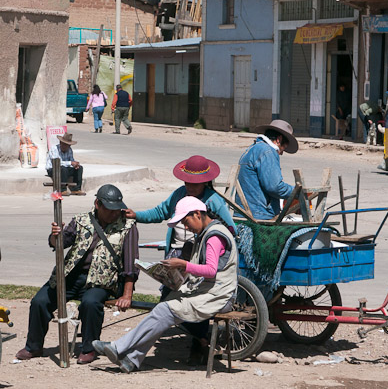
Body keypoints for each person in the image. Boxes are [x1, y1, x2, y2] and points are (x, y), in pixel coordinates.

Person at [92, 196, 237, 373]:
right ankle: (132, 359)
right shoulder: (206, 233)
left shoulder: (214, 237)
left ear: (197, 214)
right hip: (210, 292)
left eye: (186, 221)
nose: (186, 227)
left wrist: (183, 265)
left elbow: (211, 270)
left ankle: (118, 347)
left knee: (164, 310)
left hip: (219, 297)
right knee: (165, 308)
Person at [123, 155, 235, 364]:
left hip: (200, 258)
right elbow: (160, 212)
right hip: (176, 254)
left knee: (193, 296)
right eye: (187, 183)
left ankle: (198, 344)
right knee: (168, 296)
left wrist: (214, 247)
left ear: (204, 181)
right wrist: (136, 214)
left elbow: (230, 229)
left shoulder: (214, 201)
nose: (190, 187)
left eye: (194, 184)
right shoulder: (178, 195)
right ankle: (199, 339)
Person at [15, 184, 139, 365]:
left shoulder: (128, 226)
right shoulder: (81, 220)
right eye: (110, 210)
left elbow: (131, 264)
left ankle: (89, 348)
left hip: (101, 280)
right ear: (98, 204)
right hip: (71, 276)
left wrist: (127, 294)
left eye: (117, 210)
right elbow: (59, 243)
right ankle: (33, 346)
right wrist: (54, 235)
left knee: (90, 303)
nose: (114, 214)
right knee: (39, 302)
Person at [236, 119, 298, 220]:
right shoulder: (268, 151)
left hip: (244, 211)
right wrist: (297, 192)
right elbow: (275, 187)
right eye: (283, 148)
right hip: (258, 214)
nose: (281, 153)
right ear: (278, 140)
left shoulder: (253, 148)